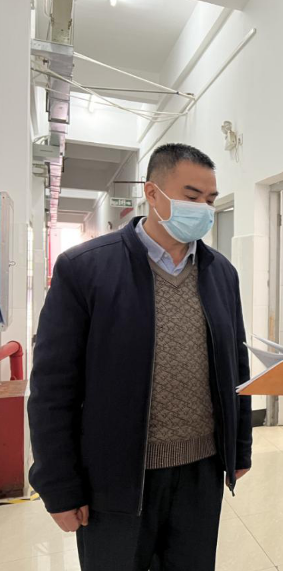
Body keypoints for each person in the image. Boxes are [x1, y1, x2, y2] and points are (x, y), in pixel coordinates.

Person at [28, 143, 253, 570]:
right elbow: (52, 389)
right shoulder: (85, 268)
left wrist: (239, 449)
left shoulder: (221, 272)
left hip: (201, 474)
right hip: (115, 478)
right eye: (191, 196)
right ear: (152, 193)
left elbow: (235, 367)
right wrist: (58, 484)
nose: (203, 209)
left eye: (210, 200)